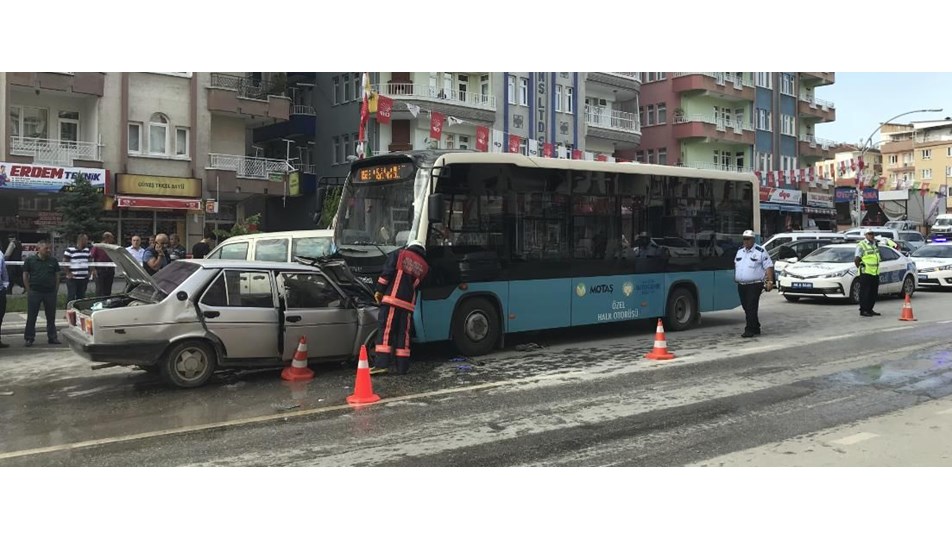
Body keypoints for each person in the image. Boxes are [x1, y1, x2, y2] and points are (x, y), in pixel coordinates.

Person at [370, 239, 430, 376]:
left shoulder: (400, 254)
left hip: (392, 300)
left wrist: (379, 290)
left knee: (386, 332)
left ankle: (381, 364)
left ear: (410, 246)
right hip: (408, 305)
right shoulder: (424, 266)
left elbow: (387, 274)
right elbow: (420, 286)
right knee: (404, 335)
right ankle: (402, 367)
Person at [734, 230, 775, 338]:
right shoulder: (740, 251)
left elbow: (769, 266)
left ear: (753, 239)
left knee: (751, 306)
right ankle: (755, 326)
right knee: (746, 306)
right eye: (744, 239)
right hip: (741, 284)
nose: (745, 241)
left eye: (748, 239)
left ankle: (749, 329)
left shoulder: (760, 251)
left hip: (755, 284)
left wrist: (770, 281)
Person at [23, 240, 61, 346]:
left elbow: (57, 275)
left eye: (49, 248)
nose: (48, 250)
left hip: (50, 292)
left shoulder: (53, 261)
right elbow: (25, 275)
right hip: (35, 292)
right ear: (38, 249)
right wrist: (28, 290)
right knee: (32, 316)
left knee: (51, 316)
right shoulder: (30, 260)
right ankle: (29, 338)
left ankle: (52, 337)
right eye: (46, 248)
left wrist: (55, 289)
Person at [854, 229, 882, 317]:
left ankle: (870, 309)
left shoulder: (875, 244)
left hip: (875, 272)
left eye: (872, 234)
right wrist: (861, 267)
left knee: (873, 292)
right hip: (866, 272)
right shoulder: (861, 245)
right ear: (865, 235)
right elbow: (856, 259)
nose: (871, 235)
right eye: (869, 234)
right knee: (865, 292)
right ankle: (863, 310)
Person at [63, 233, 92, 302]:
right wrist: (68, 273)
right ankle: (70, 311)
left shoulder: (87, 250)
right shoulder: (70, 250)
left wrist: (90, 272)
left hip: (84, 278)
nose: (87, 242)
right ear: (81, 240)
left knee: (81, 297)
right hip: (73, 278)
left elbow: (90, 261)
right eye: (86, 240)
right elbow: (65, 262)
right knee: (71, 296)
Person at [90, 232, 116, 297]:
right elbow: (91, 258)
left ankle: (106, 303)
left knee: (108, 289)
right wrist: (93, 269)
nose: (113, 239)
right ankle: (98, 303)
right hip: (100, 270)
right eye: (112, 237)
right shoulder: (97, 247)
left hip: (110, 270)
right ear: (107, 238)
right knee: (99, 289)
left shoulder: (111, 247)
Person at [0, 248, 8, 348]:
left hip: (1, 290)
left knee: (0, 316)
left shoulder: (0, 253)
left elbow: (4, 270)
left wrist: (5, 285)